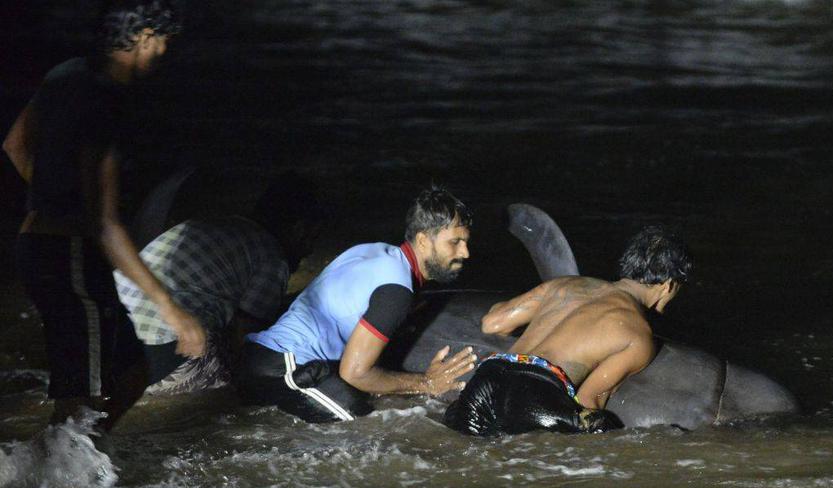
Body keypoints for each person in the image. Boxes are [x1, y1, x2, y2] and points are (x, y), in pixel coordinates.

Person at [3, 0, 205, 432]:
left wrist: (54, 195)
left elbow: (14, 146)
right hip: (69, 254)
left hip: (34, 245)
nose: (164, 55)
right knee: (81, 398)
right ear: (146, 37)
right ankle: (59, 484)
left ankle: (81, 463)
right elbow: (105, 224)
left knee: (132, 368)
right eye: (164, 43)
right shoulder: (108, 101)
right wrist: (172, 310)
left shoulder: (66, 73)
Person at [234, 186, 478, 422]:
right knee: (368, 428)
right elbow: (355, 372)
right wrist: (427, 383)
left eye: (466, 242)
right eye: (454, 242)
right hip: (285, 369)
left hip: (259, 358)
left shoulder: (373, 251)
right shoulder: (396, 291)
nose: (465, 253)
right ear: (423, 240)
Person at [445, 224, 693, 436]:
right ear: (669, 286)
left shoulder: (565, 285)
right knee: (600, 426)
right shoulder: (637, 334)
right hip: (535, 398)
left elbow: (493, 322)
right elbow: (590, 399)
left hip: (485, 380)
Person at [113, 174, 322, 394]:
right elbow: (246, 340)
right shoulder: (272, 257)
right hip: (158, 349)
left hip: (112, 335)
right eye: (312, 238)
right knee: (243, 378)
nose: (309, 250)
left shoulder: (207, 224)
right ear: (299, 229)